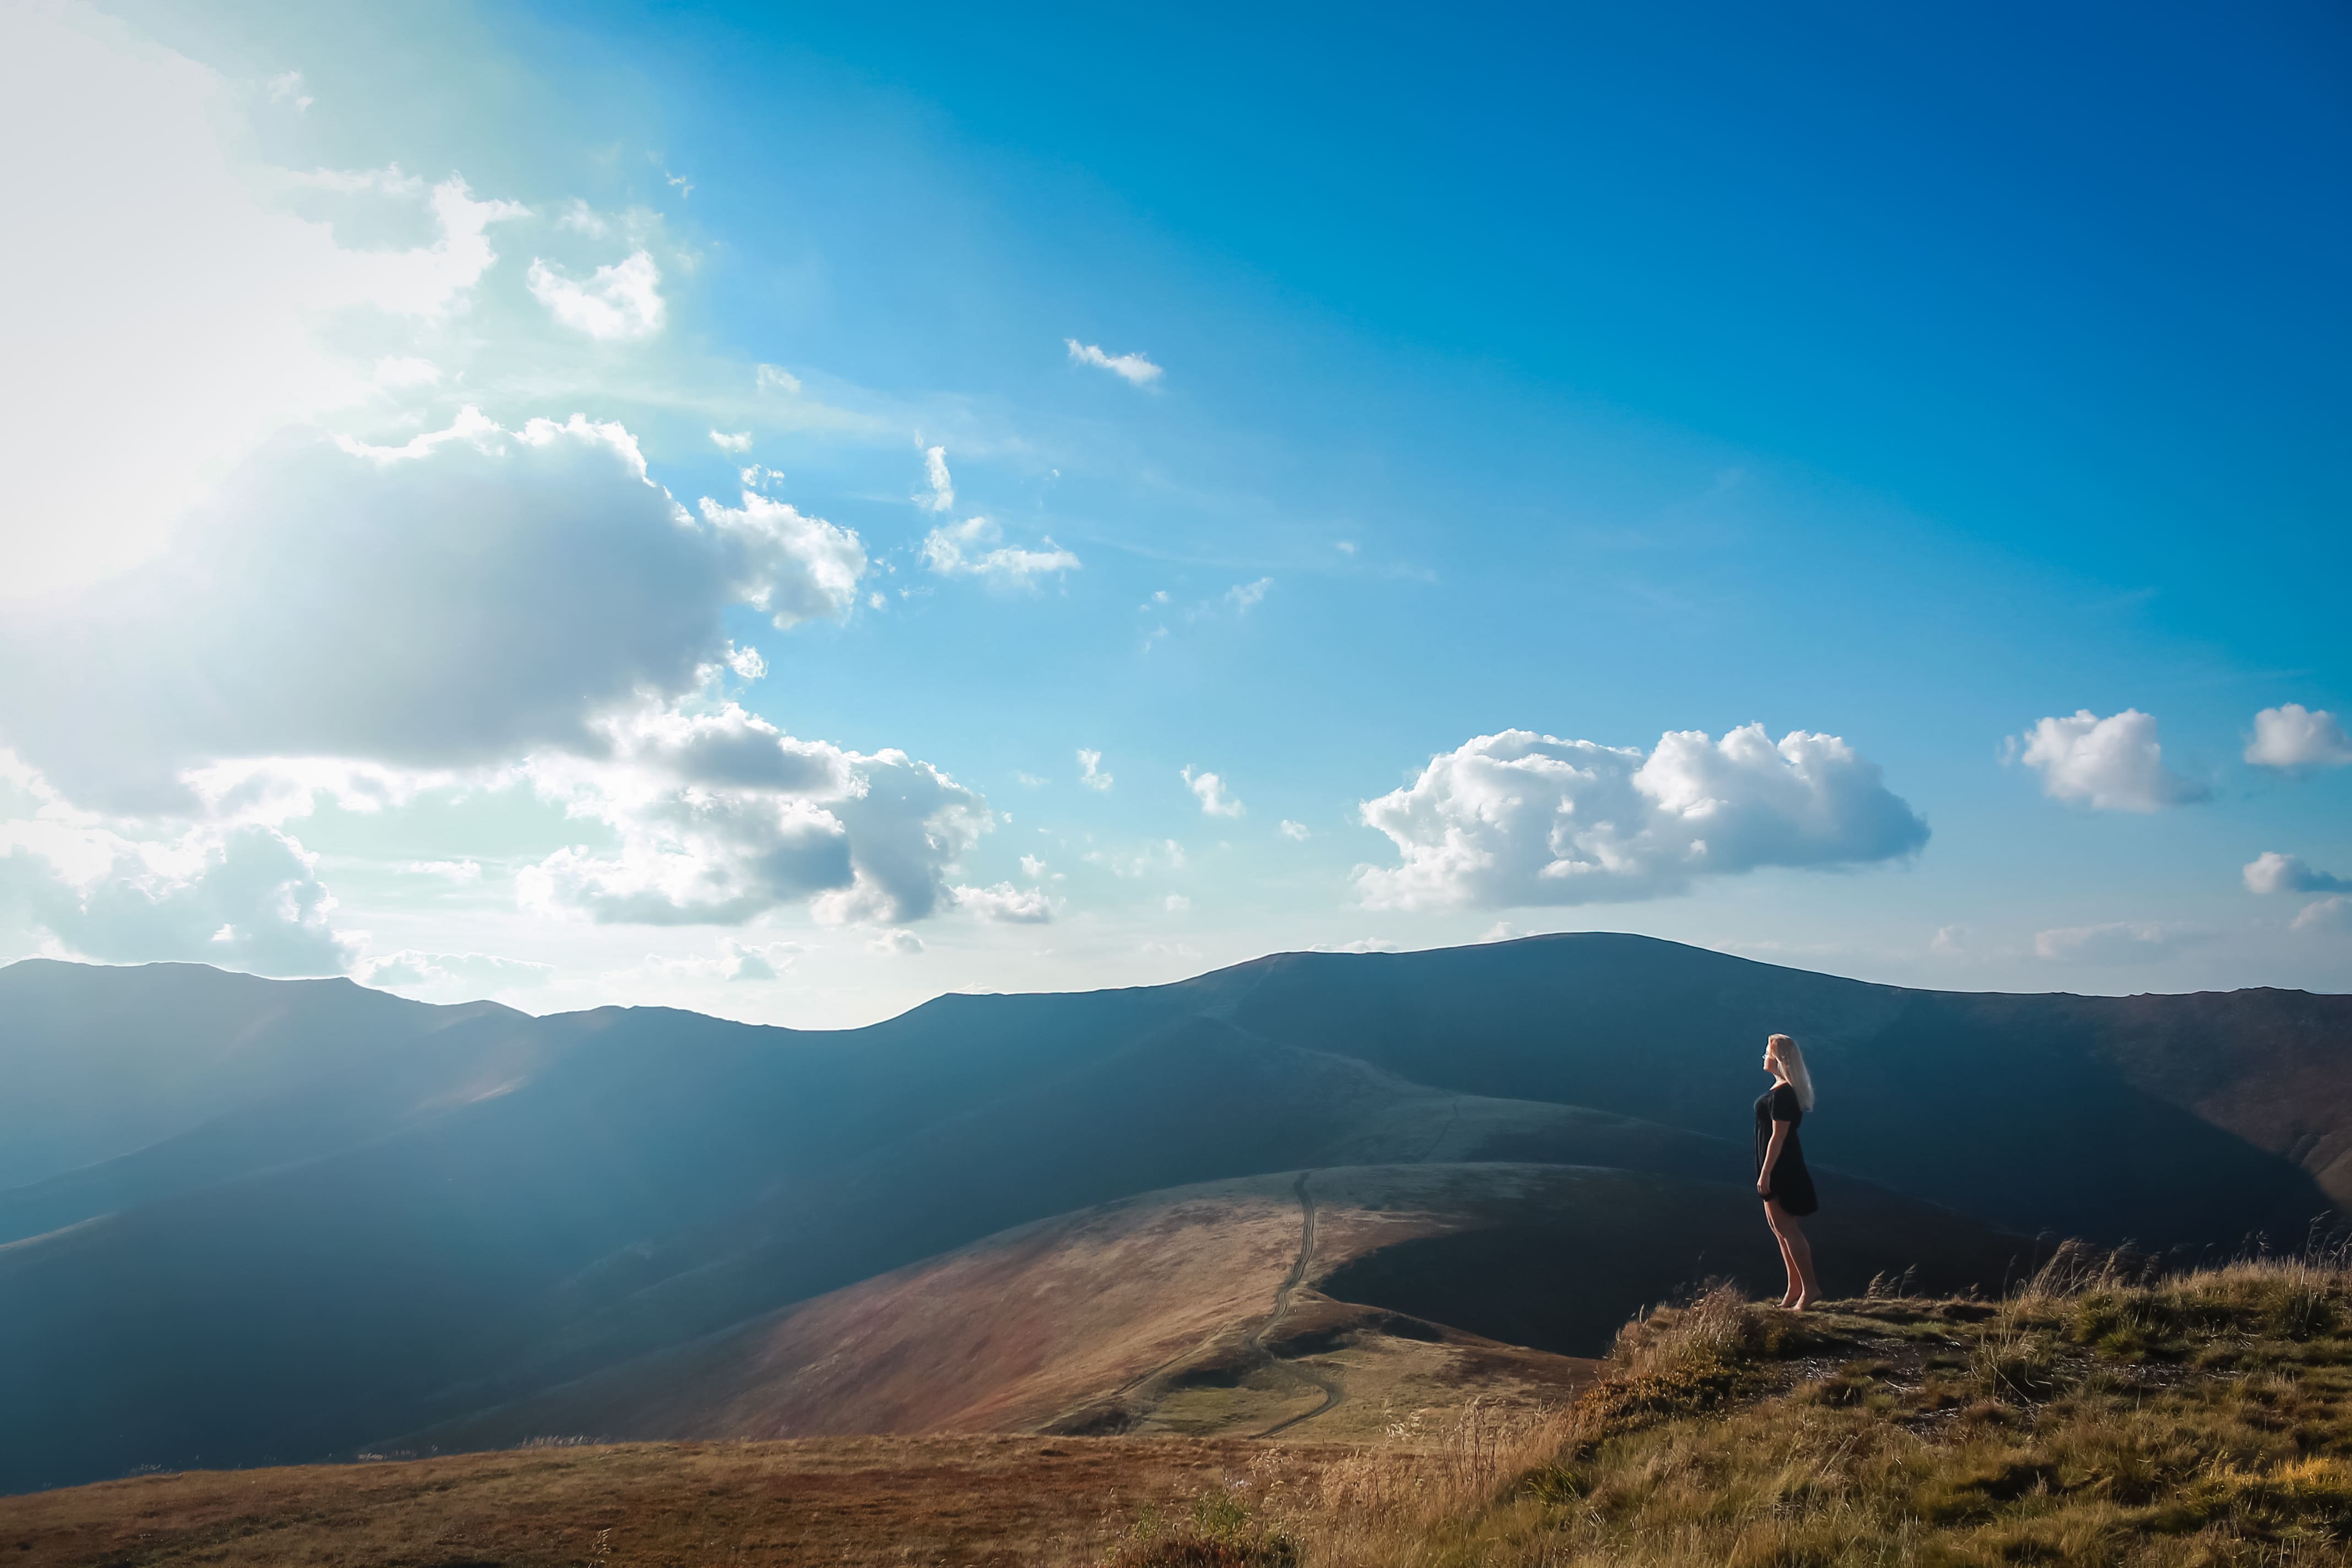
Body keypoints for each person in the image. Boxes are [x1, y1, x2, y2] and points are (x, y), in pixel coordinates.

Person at [1755, 1032, 1821, 1310]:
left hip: (1781, 1166)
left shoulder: (1783, 1094)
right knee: (1779, 1229)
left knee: (1788, 1229)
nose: (1763, 1056)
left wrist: (1766, 1173)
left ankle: (1810, 1290)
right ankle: (1794, 1289)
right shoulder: (1781, 1090)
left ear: (1779, 1059)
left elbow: (1778, 1137)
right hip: (1778, 1164)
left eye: (1767, 1052)